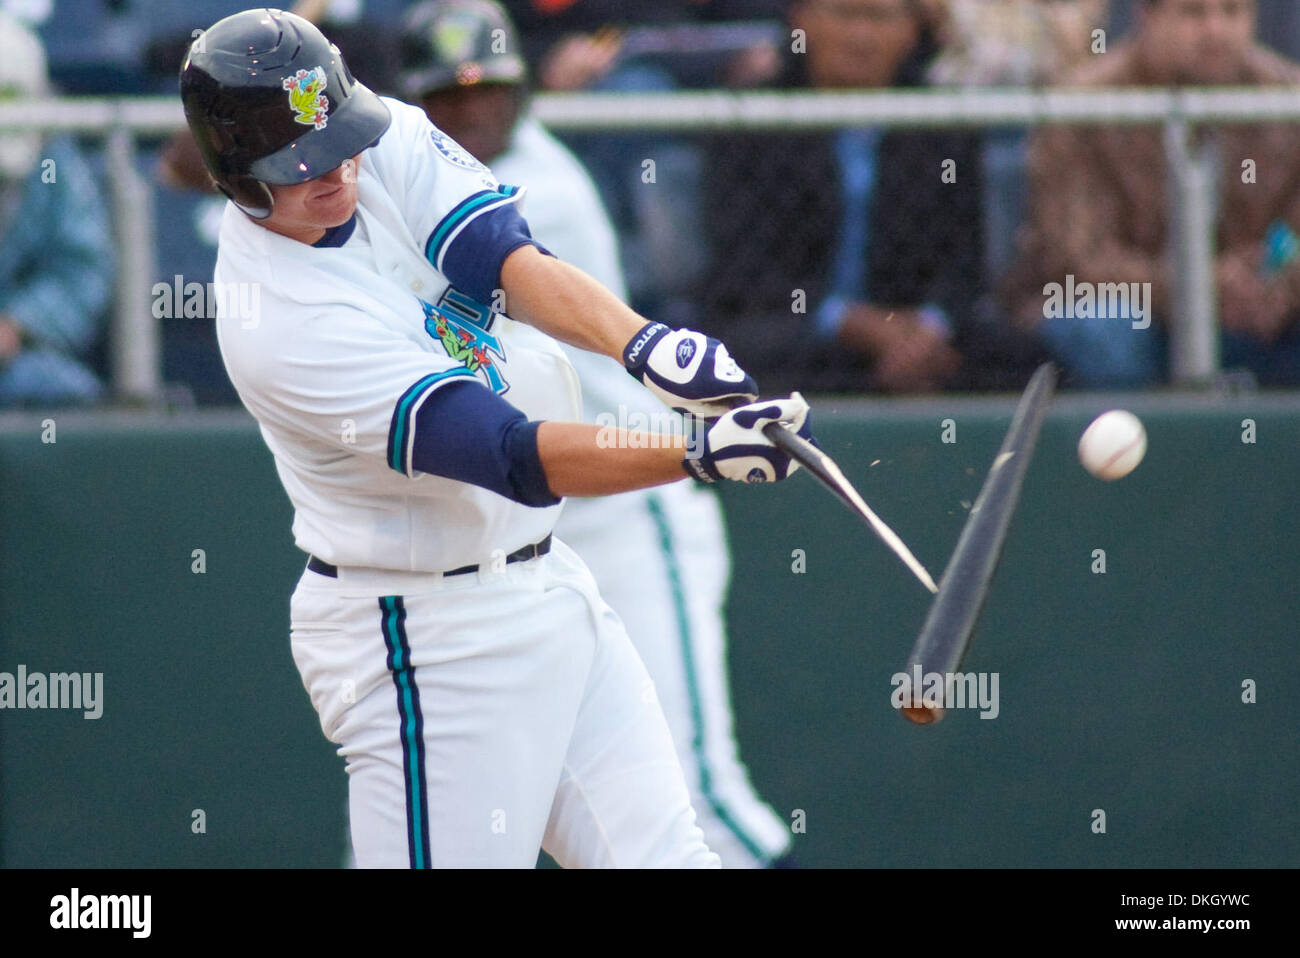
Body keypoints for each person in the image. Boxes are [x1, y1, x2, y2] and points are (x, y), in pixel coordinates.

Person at [181, 7, 814, 868]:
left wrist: (647, 347)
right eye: (301, 165)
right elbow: (509, 455)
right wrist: (693, 454)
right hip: (423, 634)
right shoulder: (279, 321)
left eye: (341, 143)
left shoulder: (373, 130)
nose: (335, 171)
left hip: (548, 583)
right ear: (236, 175)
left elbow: (498, 252)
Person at [395, 0, 795, 868]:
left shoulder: (543, 194)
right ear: (415, 107)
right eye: (450, 96)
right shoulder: (407, 184)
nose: (473, 111)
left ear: (523, 90)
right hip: (517, 531)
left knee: (702, 801)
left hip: (624, 507)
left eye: (490, 90)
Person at [700, 0, 1046, 395]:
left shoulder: (946, 124)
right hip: (797, 328)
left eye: (880, 17)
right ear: (802, 20)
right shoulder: (750, 119)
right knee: (745, 360)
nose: (860, 36)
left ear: (913, 30)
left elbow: (964, 267)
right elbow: (746, 272)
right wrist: (851, 323)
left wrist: (926, 329)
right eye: (845, 14)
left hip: (914, 332)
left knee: (1026, 359)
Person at [1000, 0, 1300, 387]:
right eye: (1194, 13)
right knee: (1105, 326)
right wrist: (1200, 286)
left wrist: (1279, 285)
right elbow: (1077, 260)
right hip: (1134, 309)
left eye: (1232, 12)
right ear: (1147, 16)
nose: (1215, 30)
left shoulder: (1287, 97)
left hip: (1253, 311)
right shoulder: (1082, 103)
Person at [0, 11, 115, 407]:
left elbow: (81, 269)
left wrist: (17, 326)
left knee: (65, 391)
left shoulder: (52, 157)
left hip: (13, 368)